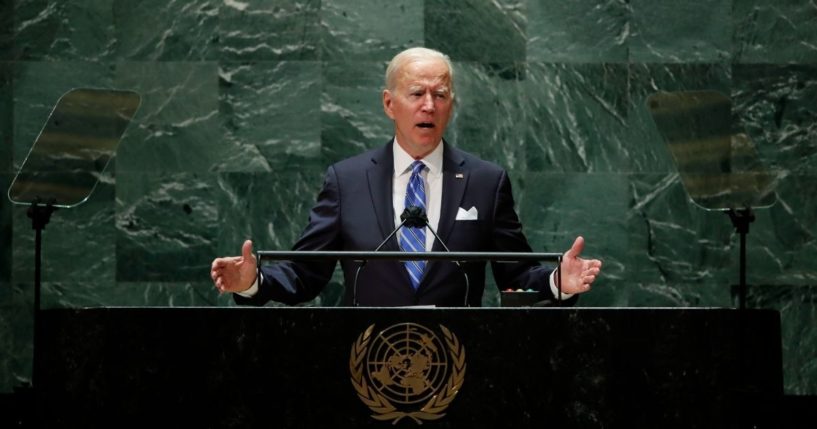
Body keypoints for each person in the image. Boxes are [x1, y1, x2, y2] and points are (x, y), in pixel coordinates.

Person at [211, 47, 602, 307]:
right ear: (389, 104)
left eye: (441, 94)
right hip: (365, 360)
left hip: (459, 362)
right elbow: (306, 271)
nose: (429, 105)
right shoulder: (347, 181)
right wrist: (253, 280)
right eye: (417, 93)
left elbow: (515, 272)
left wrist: (558, 283)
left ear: (452, 105)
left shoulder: (486, 181)